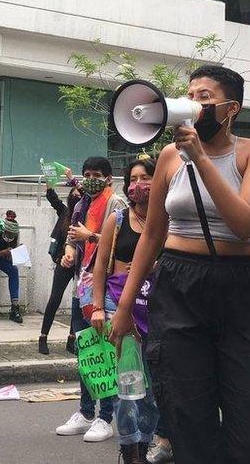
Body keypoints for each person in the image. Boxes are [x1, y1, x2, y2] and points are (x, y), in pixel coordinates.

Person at [109, 65, 250, 463]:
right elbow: (152, 236)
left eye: (204, 96)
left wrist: (200, 158)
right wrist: (123, 307)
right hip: (178, 285)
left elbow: (245, 224)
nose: (194, 103)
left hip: (238, 287)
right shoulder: (169, 156)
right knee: (187, 416)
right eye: (190, 94)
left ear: (231, 108)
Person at [90, 158, 160, 463]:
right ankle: (130, 451)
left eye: (146, 177)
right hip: (119, 308)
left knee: (153, 392)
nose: (139, 184)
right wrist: (97, 308)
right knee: (127, 388)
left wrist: (154, 266)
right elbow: (99, 266)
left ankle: (144, 446)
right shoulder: (117, 220)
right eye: (133, 178)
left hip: (157, 312)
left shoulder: (167, 220)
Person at [55, 156, 125, 444]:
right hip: (81, 286)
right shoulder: (82, 203)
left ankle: (106, 416)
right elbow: (74, 236)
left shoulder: (116, 204)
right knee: (86, 350)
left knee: (105, 352)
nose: (90, 178)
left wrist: (91, 235)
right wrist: (70, 249)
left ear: (108, 178)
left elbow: (122, 242)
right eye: (86, 174)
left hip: (105, 289)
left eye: (96, 174)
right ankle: (85, 412)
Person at [39, 168, 80, 355]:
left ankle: (72, 339)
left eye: (80, 194)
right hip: (63, 262)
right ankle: (43, 336)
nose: (77, 196)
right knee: (55, 298)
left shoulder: (88, 213)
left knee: (78, 302)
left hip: (82, 263)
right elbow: (51, 195)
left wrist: (72, 178)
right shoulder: (64, 212)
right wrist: (49, 179)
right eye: (74, 194)